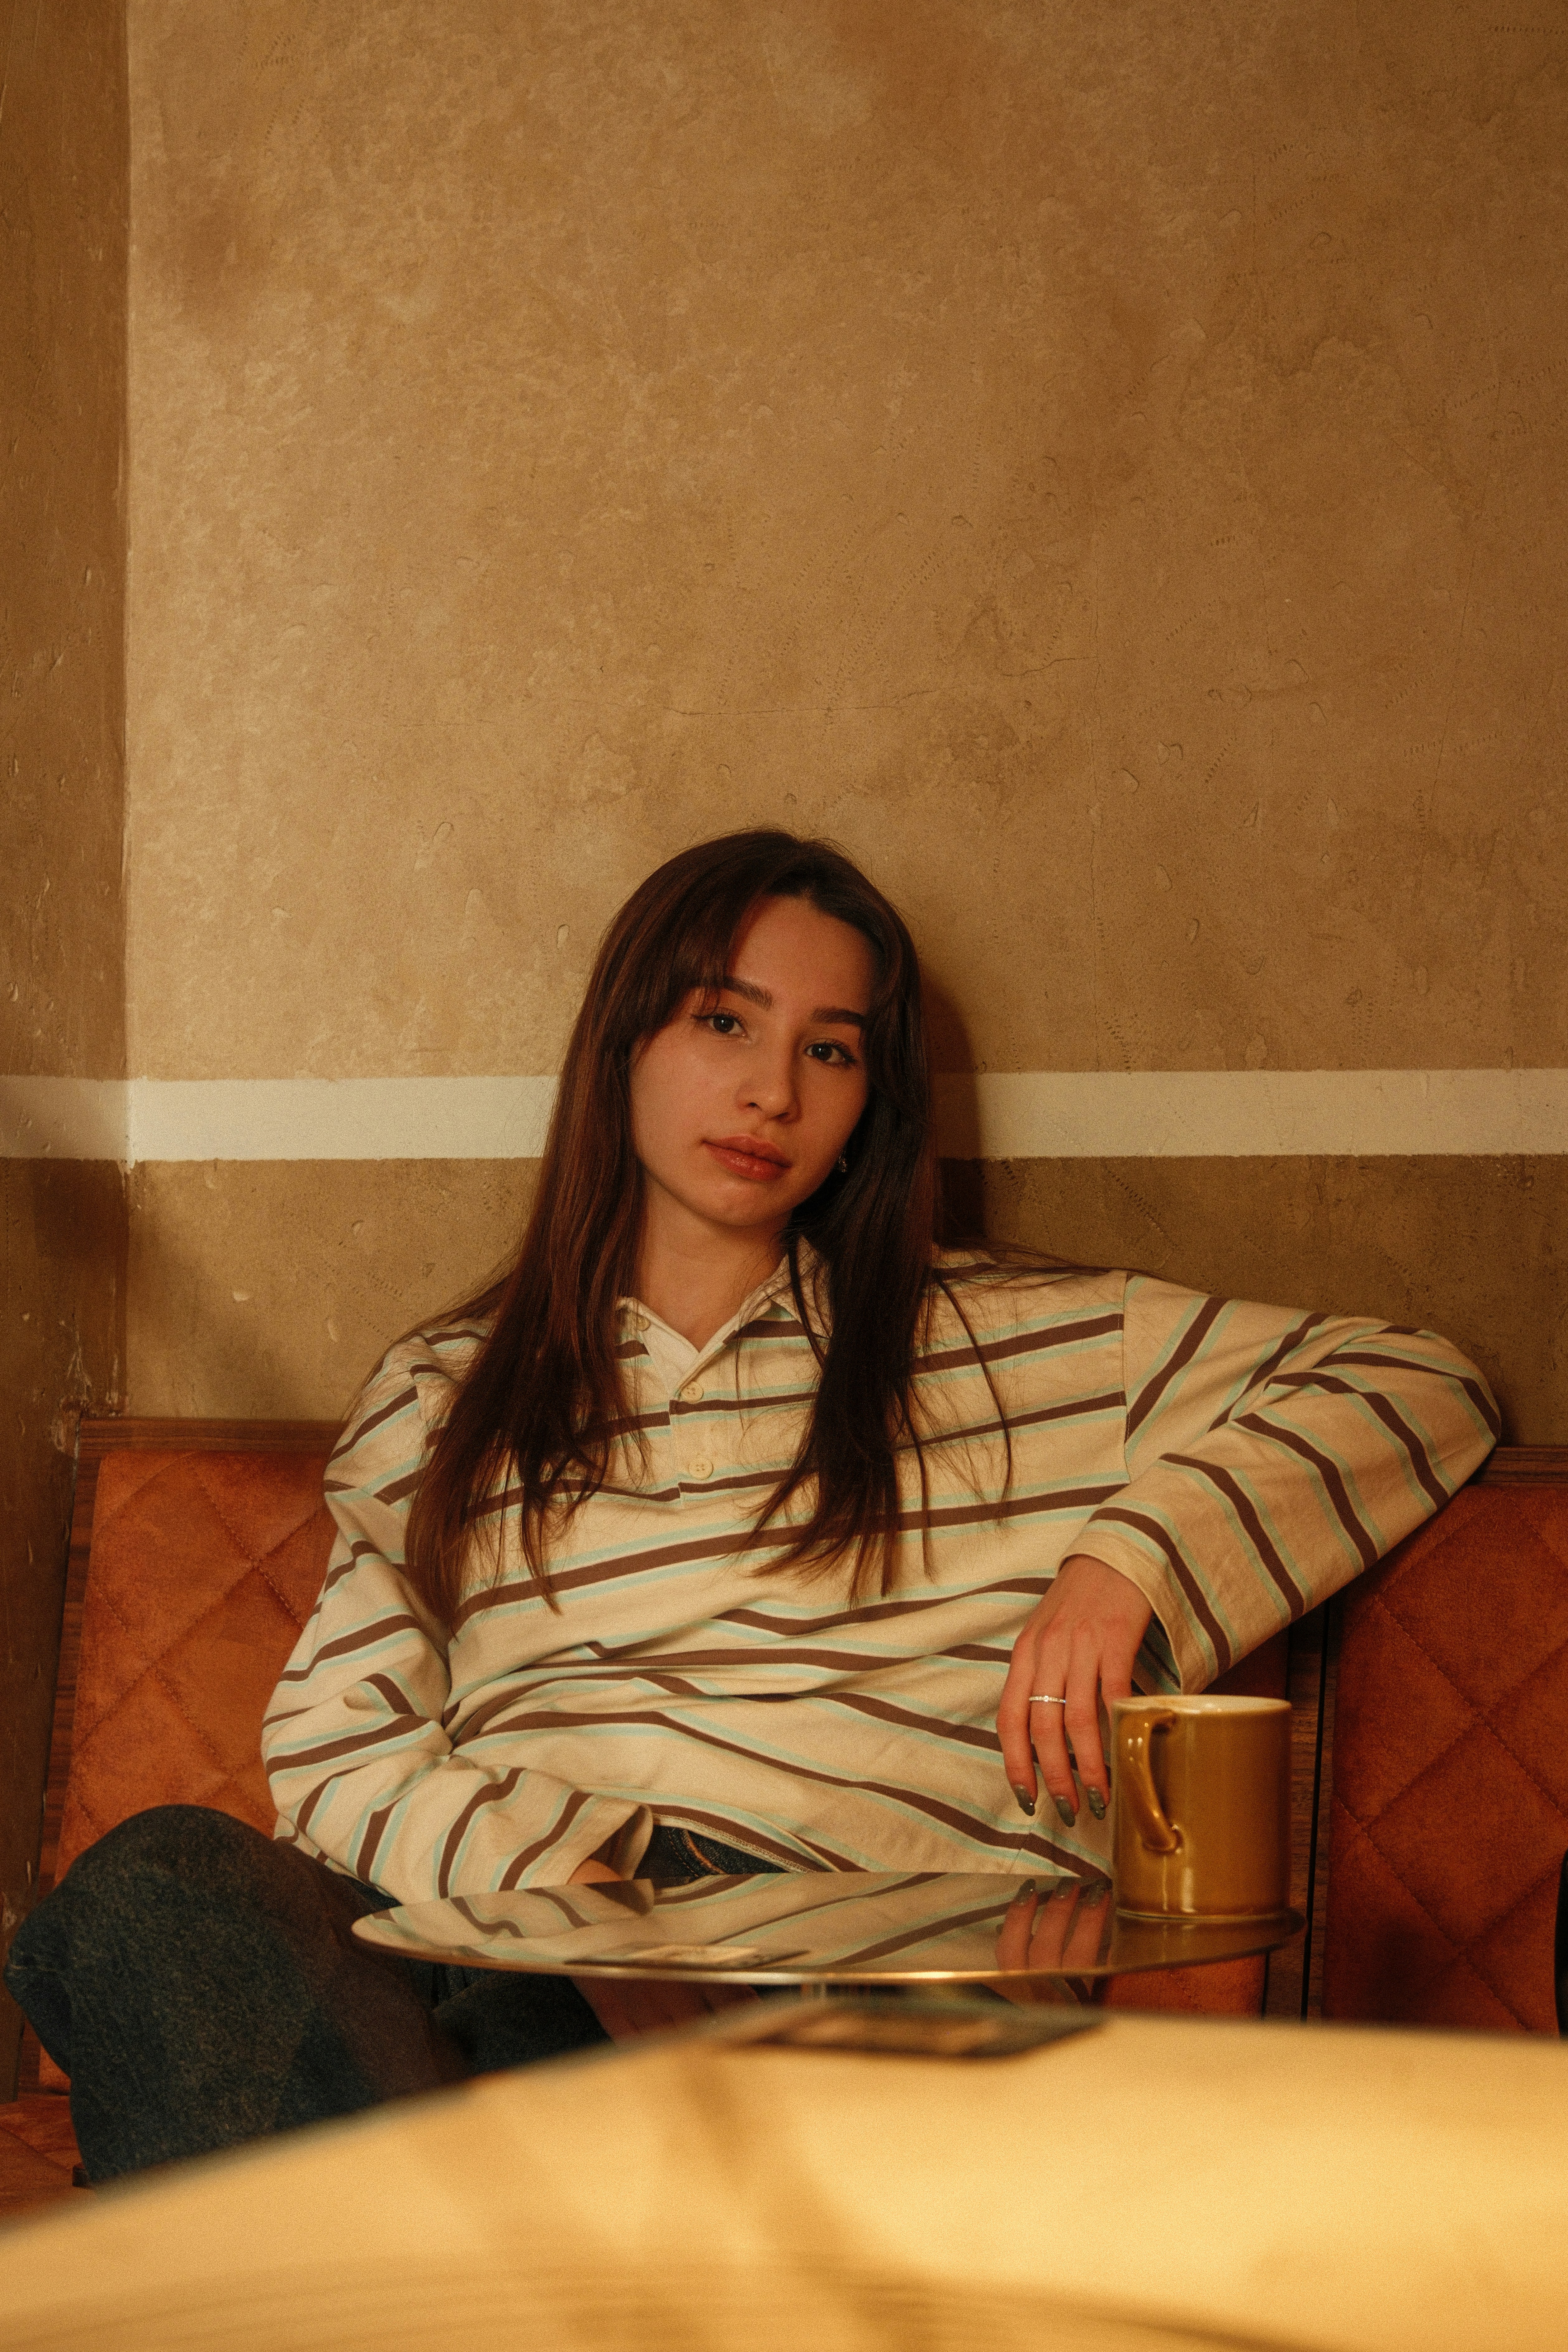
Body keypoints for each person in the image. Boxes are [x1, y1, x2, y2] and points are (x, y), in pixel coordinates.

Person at [6, 830, 1499, 2179]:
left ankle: (440, 2252)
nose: (772, 1091)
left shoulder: (1025, 1343)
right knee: (152, 1891)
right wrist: (581, 1886)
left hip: (854, 1979)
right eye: (723, 1020)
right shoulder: (451, 1390)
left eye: (831, 1050)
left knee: (420, 2120)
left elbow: (1414, 1382)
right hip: (508, 1955)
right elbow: (341, 1751)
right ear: (626, 1043)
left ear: (872, 1098)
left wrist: (1134, 1561)